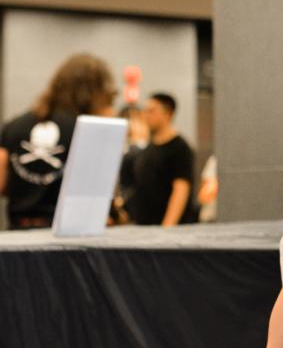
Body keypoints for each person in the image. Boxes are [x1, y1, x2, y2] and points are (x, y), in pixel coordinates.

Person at [0, 53, 117, 230]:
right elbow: (96, 193)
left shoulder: (14, 125)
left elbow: (1, 183)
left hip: (17, 233)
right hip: (66, 236)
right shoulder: (85, 128)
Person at [127, 93, 198, 226]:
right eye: (145, 111)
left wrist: (167, 228)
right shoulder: (149, 148)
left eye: (152, 111)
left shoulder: (180, 148)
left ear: (168, 114)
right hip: (144, 228)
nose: (146, 115)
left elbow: (181, 190)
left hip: (166, 232)